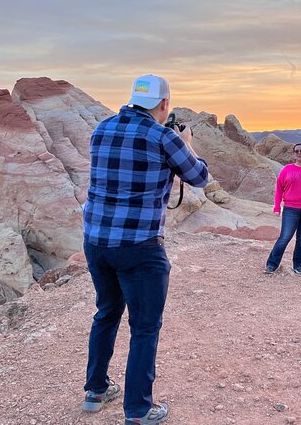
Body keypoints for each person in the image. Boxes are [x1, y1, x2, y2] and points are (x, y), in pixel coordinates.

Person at [82, 75, 209, 425]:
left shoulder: (102, 129)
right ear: (164, 104)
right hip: (139, 246)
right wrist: (186, 142)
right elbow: (199, 177)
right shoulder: (163, 136)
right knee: (144, 327)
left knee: (106, 313)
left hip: (96, 242)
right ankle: (138, 411)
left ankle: (95, 390)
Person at [265, 143, 301, 275]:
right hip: (290, 210)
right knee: (285, 237)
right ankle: (271, 265)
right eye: (297, 151)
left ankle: (299, 266)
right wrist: (277, 207)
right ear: (294, 154)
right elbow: (279, 189)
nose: (299, 153)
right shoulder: (287, 170)